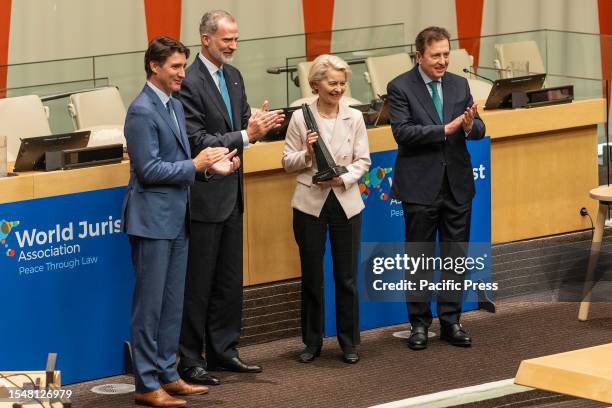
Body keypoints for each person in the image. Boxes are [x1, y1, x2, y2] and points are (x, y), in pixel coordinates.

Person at [122, 36, 240, 407]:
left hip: (177, 219)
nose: (181, 74)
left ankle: (168, 374)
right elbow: (149, 169)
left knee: (173, 305)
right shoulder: (141, 110)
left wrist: (211, 171)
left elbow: (182, 165)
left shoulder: (172, 105)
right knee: (150, 308)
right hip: (152, 222)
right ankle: (145, 384)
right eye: (175, 67)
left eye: (182, 66)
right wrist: (197, 164)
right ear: (154, 66)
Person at [177, 10, 284, 385]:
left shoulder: (234, 77)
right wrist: (245, 135)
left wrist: (262, 129)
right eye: (227, 39)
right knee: (198, 284)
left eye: (236, 39)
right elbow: (196, 141)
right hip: (202, 198)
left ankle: (224, 351)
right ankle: (190, 360)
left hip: (232, 194)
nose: (233, 45)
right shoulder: (187, 82)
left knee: (228, 281)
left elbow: (243, 128)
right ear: (205, 39)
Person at [387, 26, 485, 351]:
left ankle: (451, 321)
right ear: (419, 56)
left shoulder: (459, 84)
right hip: (420, 187)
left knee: (456, 258)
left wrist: (470, 126)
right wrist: (444, 129)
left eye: (446, 54)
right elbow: (403, 133)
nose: (443, 61)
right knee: (419, 259)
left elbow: (479, 127)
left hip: (457, 186)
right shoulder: (400, 87)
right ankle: (418, 323)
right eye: (436, 55)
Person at [282, 54, 371, 364]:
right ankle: (312, 342)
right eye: (332, 83)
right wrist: (306, 153)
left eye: (342, 83)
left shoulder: (355, 116)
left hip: (345, 201)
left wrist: (343, 177)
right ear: (315, 84)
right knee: (312, 275)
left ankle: (349, 342)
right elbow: (286, 162)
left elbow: (363, 160)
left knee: (346, 277)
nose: (338, 89)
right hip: (310, 204)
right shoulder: (299, 117)